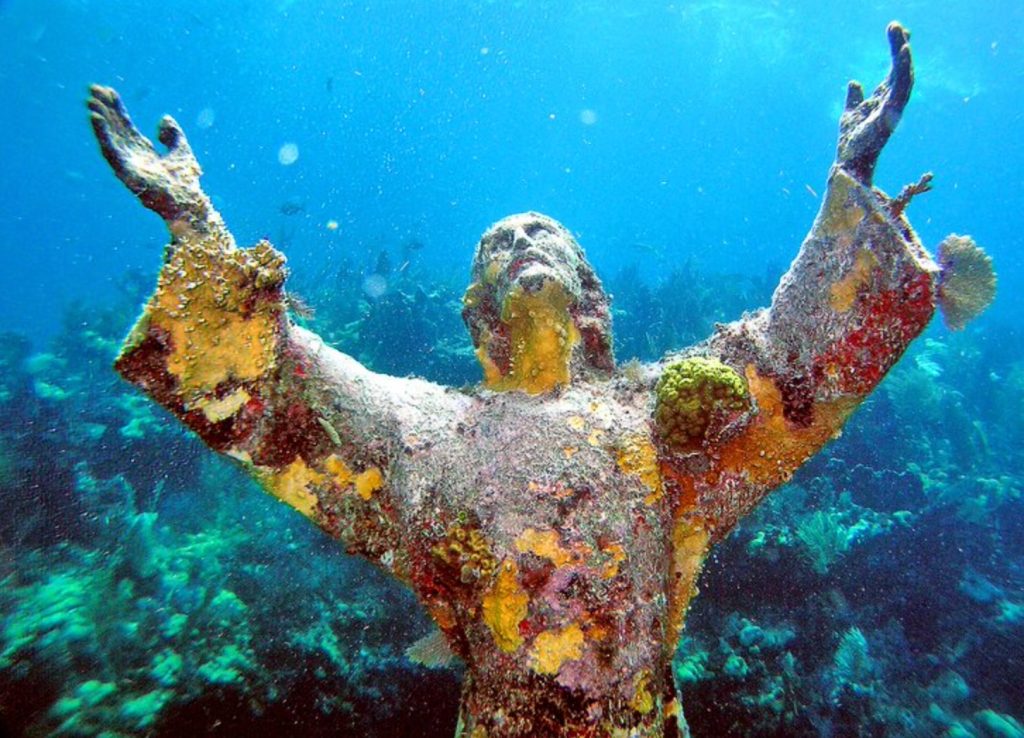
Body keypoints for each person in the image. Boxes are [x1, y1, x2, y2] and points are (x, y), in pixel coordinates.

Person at [88, 23, 993, 738]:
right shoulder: (420, 431)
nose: (522, 242)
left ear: (589, 291)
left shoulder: (659, 416)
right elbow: (285, 390)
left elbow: (791, 366)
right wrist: (196, 226)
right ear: (478, 311)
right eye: (500, 243)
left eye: (542, 233)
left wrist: (850, 177)